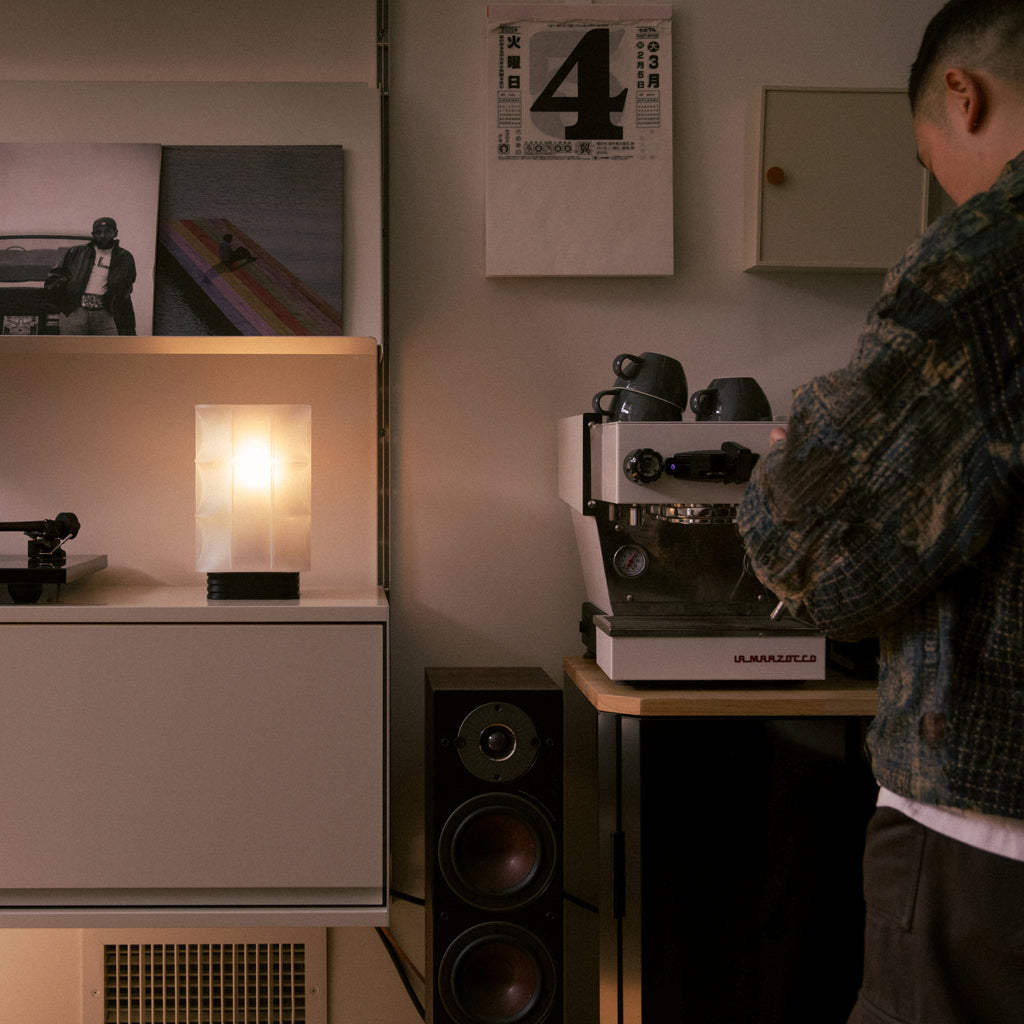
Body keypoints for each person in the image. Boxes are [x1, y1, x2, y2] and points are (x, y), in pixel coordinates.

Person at [736, 2, 1024, 1021]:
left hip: (987, 837)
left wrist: (796, 456)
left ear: (964, 94)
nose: (944, 184)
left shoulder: (985, 260)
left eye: (927, 158)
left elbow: (812, 549)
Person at [45, 216, 136, 335]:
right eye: (98, 232)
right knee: (70, 350)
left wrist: (114, 301)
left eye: (107, 231)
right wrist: (66, 301)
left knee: (108, 350)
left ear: (115, 233)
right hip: (75, 311)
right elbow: (55, 277)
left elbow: (127, 283)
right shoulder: (76, 252)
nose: (102, 235)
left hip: (106, 313)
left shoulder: (125, 257)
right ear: (93, 234)